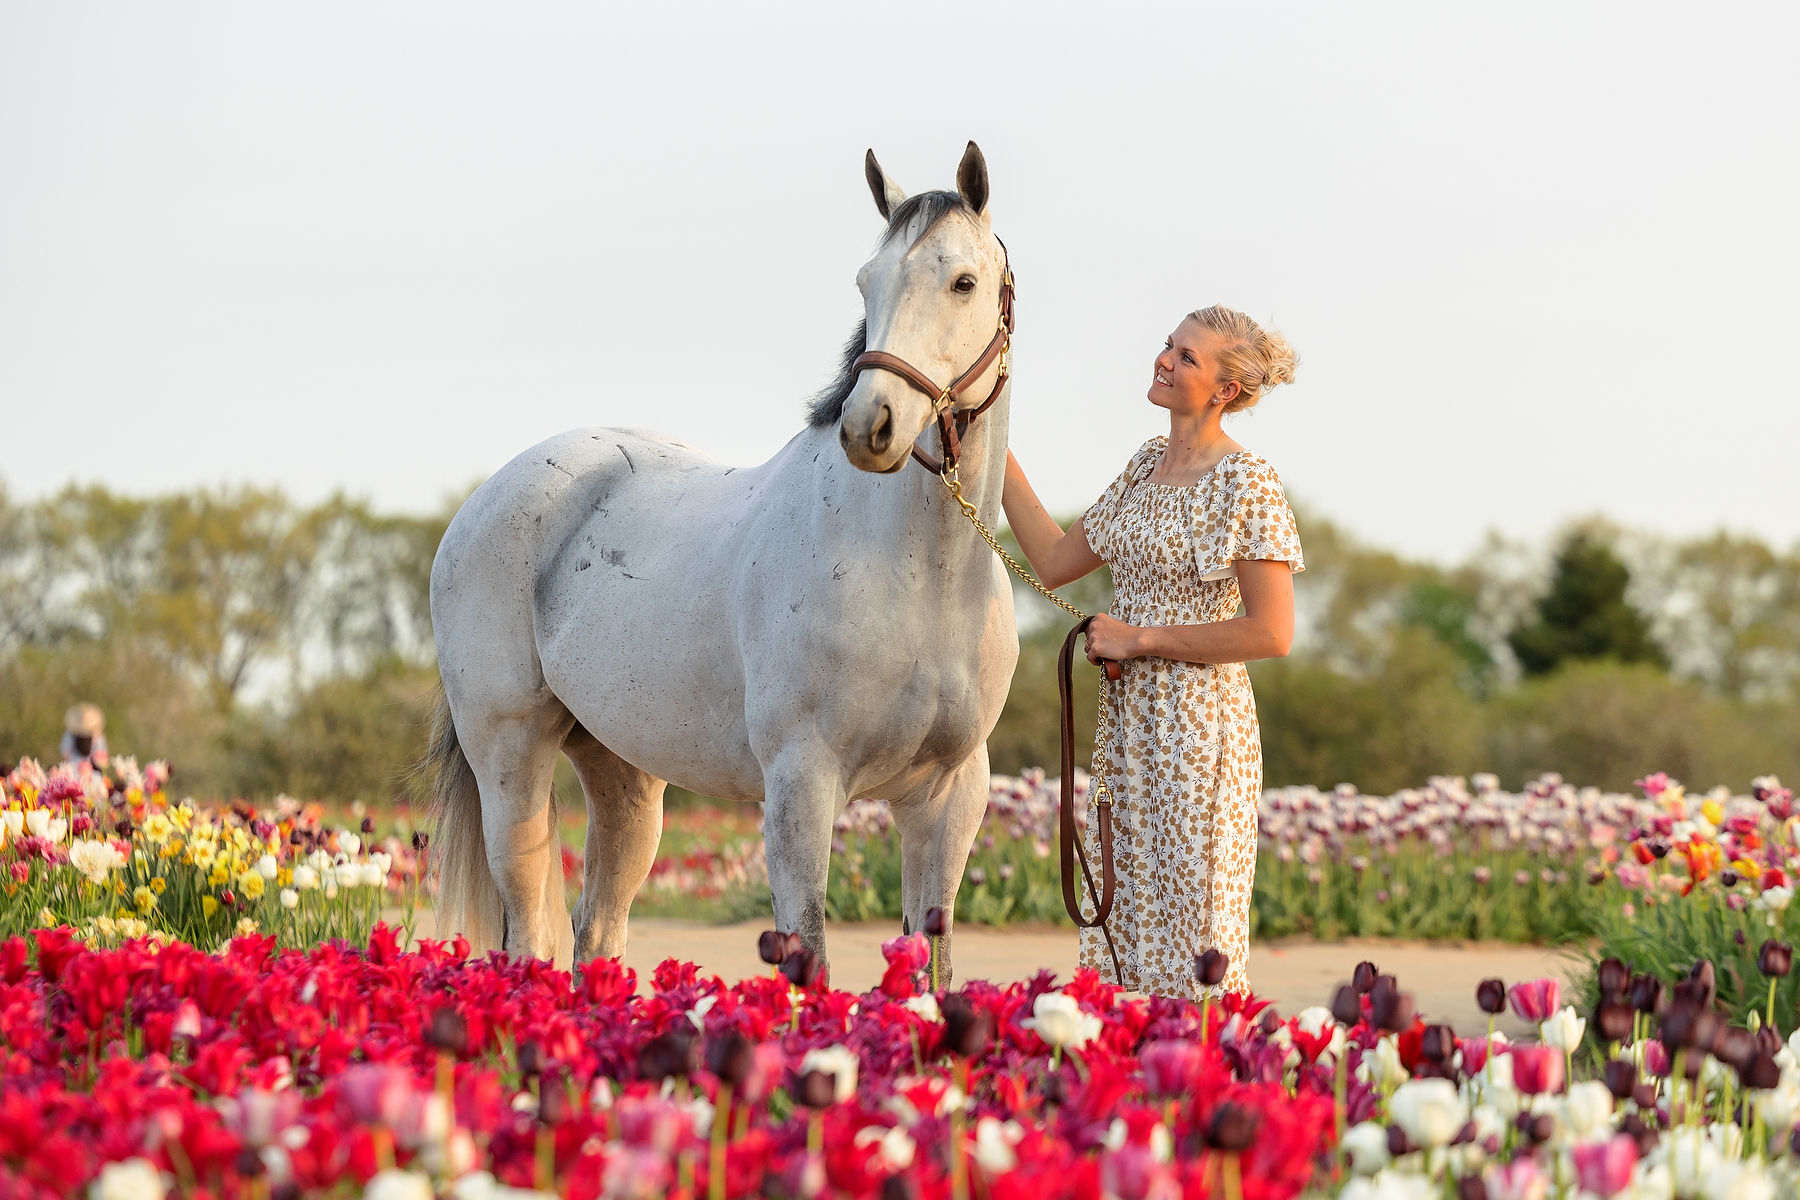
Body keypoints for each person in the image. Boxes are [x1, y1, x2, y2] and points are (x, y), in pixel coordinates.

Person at [1001, 305, 1303, 999]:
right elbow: (1051, 561)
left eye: (1187, 357)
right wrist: (995, 449)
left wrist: (1140, 640)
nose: (1164, 359)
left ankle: (1209, 1075)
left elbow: (1272, 632)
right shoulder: (1144, 465)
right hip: (1127, 726)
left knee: (1199, 929)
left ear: (1225, 389)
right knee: (1124, 920)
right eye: (1169, 345)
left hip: (1201, 729)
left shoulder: (1246, 481)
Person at [61, 702, 110, 768]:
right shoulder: (98, 736)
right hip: (79, 766)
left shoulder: (70, 734)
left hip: (78, 766)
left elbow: (66, 754)